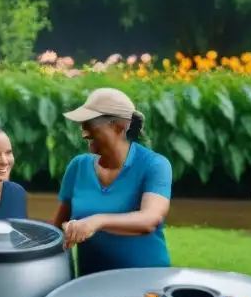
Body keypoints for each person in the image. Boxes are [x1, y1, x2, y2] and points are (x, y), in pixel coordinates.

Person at [52, 87, 173, 275]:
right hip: (90, 281)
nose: (84, 133)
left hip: (146, 280)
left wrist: (97, 221)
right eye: (83, 125)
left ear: (119, 126)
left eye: (90, 124)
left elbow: (150, 219)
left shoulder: (154, 165)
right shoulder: (78, 166)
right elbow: (58, 228)